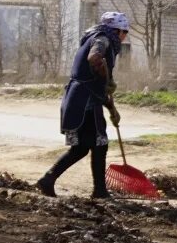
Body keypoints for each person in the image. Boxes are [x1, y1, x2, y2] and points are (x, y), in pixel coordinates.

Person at [38, 11, 129, 198]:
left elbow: (92, 80)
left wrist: (112, 109)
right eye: (125, 32)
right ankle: (100, 191)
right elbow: (94, 58)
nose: (125, 37)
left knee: (81, 148)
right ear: (117, 30)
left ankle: (48, 179)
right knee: (99, 144)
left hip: (77, 99)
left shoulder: (95, 36)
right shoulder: (103, 39)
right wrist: (106, 78)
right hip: (85, 102)